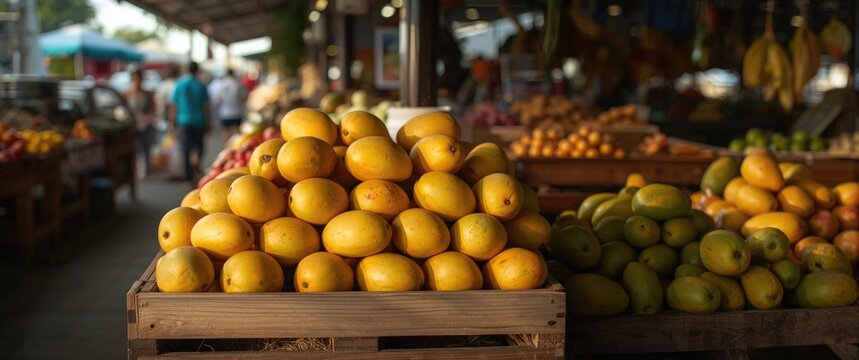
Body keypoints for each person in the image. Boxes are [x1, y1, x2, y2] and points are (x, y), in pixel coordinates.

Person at [171, 62, 211, 184]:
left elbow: (174, 105)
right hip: (199, 121)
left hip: (184, 121)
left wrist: (171, 122)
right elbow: (206, 106)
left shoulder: (179, 84)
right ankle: (196, 162)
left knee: (186, 149)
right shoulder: (201, 85)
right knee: (199, 147)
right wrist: (209, 122)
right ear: (197, 70)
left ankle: (188, 178)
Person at [124, 68, 156, 178]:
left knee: (146, 147)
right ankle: (135, 170)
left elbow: (153, 109)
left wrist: (148, 118)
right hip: (133, 126)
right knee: (135, 149)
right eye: (135, 78)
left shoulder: (147, 94)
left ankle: (146, 169)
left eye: (139, 78)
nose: (137, 81)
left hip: (145, 125)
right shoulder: (127, 94)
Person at [212, 69, 246, 143]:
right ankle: (236, 149)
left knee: (225, 132)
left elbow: (217, 100)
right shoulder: (237, 84)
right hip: (237, 112)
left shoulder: (221, 85)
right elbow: (243, 98)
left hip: (225, 113)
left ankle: (226, 149)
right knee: (236, 133)